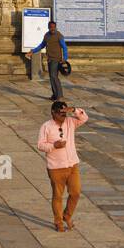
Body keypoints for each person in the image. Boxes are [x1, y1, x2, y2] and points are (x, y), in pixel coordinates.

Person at [37, 100, 88, 232]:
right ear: (53, 113)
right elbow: (40, 145)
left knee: (76, 192)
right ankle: (58, 222)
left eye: (64, 113)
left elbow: (84, 118)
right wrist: (54, 146)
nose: (63, 116)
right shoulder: (46, 126)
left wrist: (74, 110)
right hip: (55, 167)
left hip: (72, 165)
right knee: (58, 196)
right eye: (60, 113)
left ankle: (67, 215)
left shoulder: (70, 122)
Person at [28, 20, 70, 101]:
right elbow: (41, 45)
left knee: (54, 77)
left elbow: (64, 47)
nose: (53, 29)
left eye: (54, 27)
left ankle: (60, 96)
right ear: (48, 28)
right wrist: (33, 51)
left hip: (56, 59)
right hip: (50, 59)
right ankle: (55, 95)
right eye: (51, 27)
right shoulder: (46, 36)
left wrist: (65, 58)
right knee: (51, 77)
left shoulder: (59, 35)